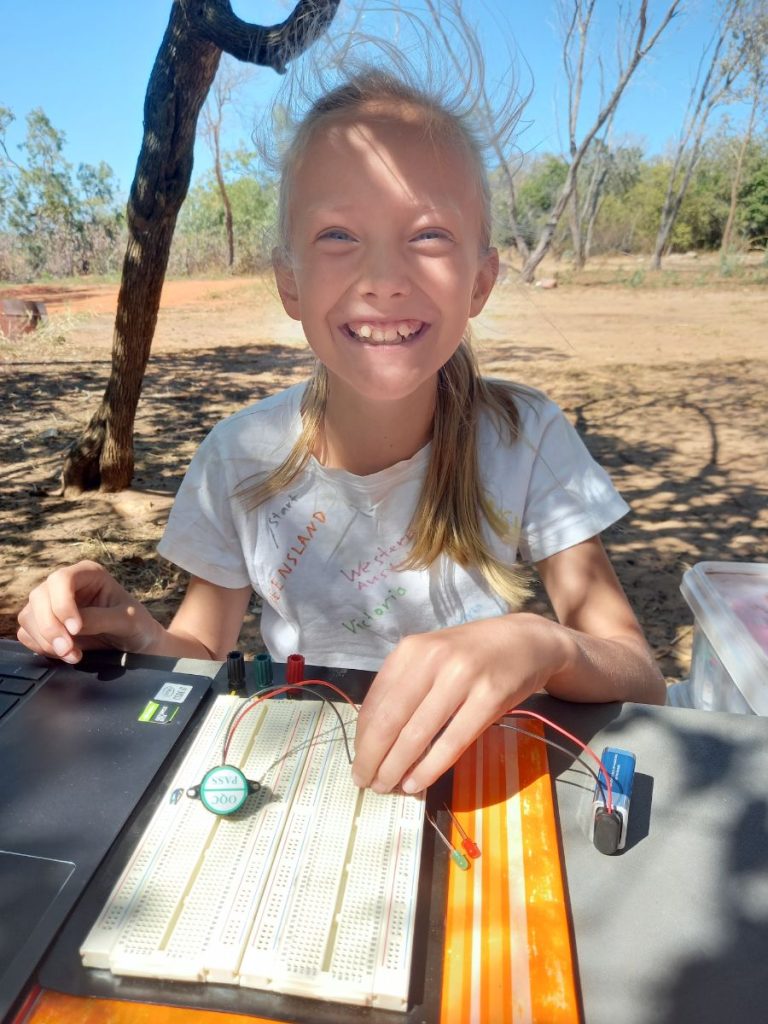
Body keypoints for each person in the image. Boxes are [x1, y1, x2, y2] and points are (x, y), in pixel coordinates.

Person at [16, 68, 666, 797]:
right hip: (303, 777)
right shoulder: (237, 458)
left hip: (477, 775)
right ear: (289, 283)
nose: (383, 277)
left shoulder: (526, 436)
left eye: (428, 234)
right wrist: (138, 630)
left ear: (480, 282)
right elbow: (200, 648)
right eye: (337, 235)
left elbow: (639, 676)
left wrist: (543, 644)